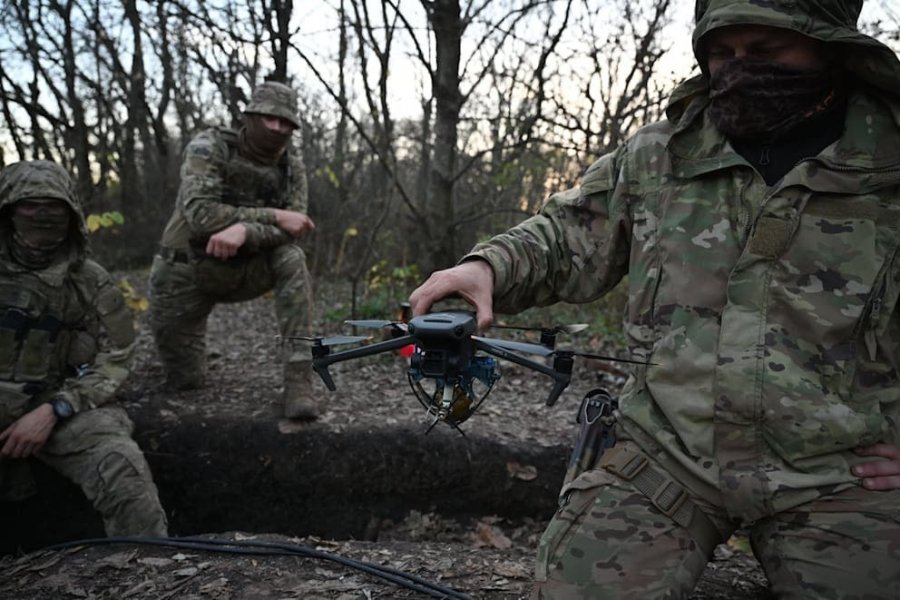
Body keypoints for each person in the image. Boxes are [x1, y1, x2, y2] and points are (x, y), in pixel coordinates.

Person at [410, 1, 900, 597]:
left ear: (829, 48)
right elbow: (570, 233)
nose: (740, 69)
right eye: (723, 53)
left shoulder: (888, 162)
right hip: (666, 454)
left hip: (838, 473)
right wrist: (489, 266)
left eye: (766, 52)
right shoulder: (662, 153)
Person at [0, 160, 168, 537]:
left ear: (71, 213)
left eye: (54, 207)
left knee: (121, 466)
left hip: (55, 405)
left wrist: (55, 408)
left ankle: (149, 574)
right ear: (9, 210)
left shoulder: (89, 281)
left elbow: (117, 357)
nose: (42, 216)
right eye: (30, 206)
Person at [149, 80, 318, 419]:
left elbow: (296, 227)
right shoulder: (209, 147)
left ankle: (300, 380)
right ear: (251, 117)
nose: (278, 128)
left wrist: (244, 230)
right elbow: (201, 216)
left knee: (292, 258)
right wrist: (272, 216)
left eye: (287, 123)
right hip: (186, 272)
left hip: (248, 268)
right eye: (271, 119)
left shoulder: (291, 166)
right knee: (186, 381)